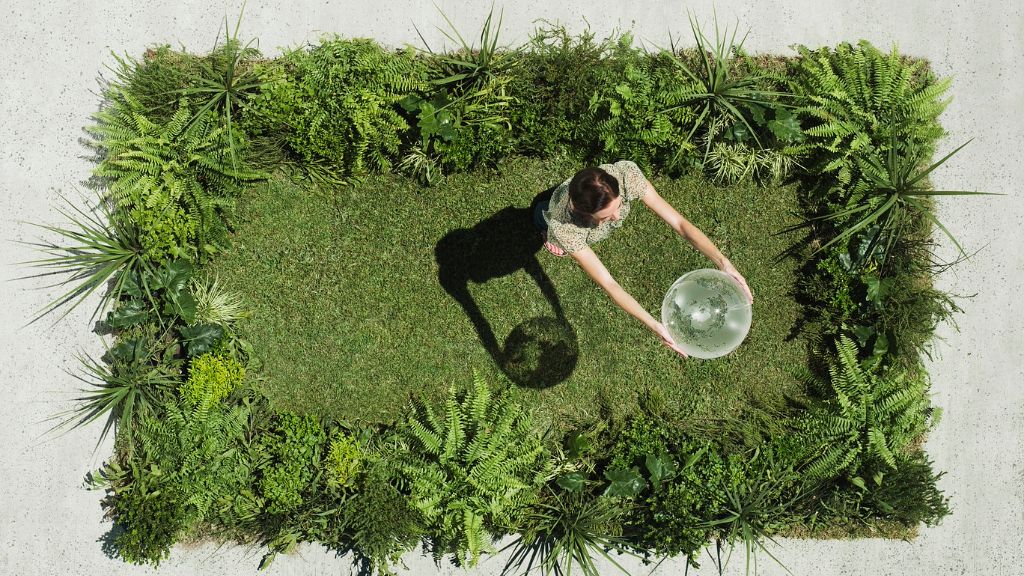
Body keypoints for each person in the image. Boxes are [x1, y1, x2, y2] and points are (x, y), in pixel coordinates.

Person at [534, 160, 754, 358]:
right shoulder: (566, 229)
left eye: (618, 206)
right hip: (563, 217)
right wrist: (654, 324)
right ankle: (541, 222)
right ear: (586, 214)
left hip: (581, 195)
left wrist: (724, 263)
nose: (617, 218)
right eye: (606, 217)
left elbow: (680, 224)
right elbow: (610, 284)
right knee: (542, 214)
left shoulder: (626, 176)